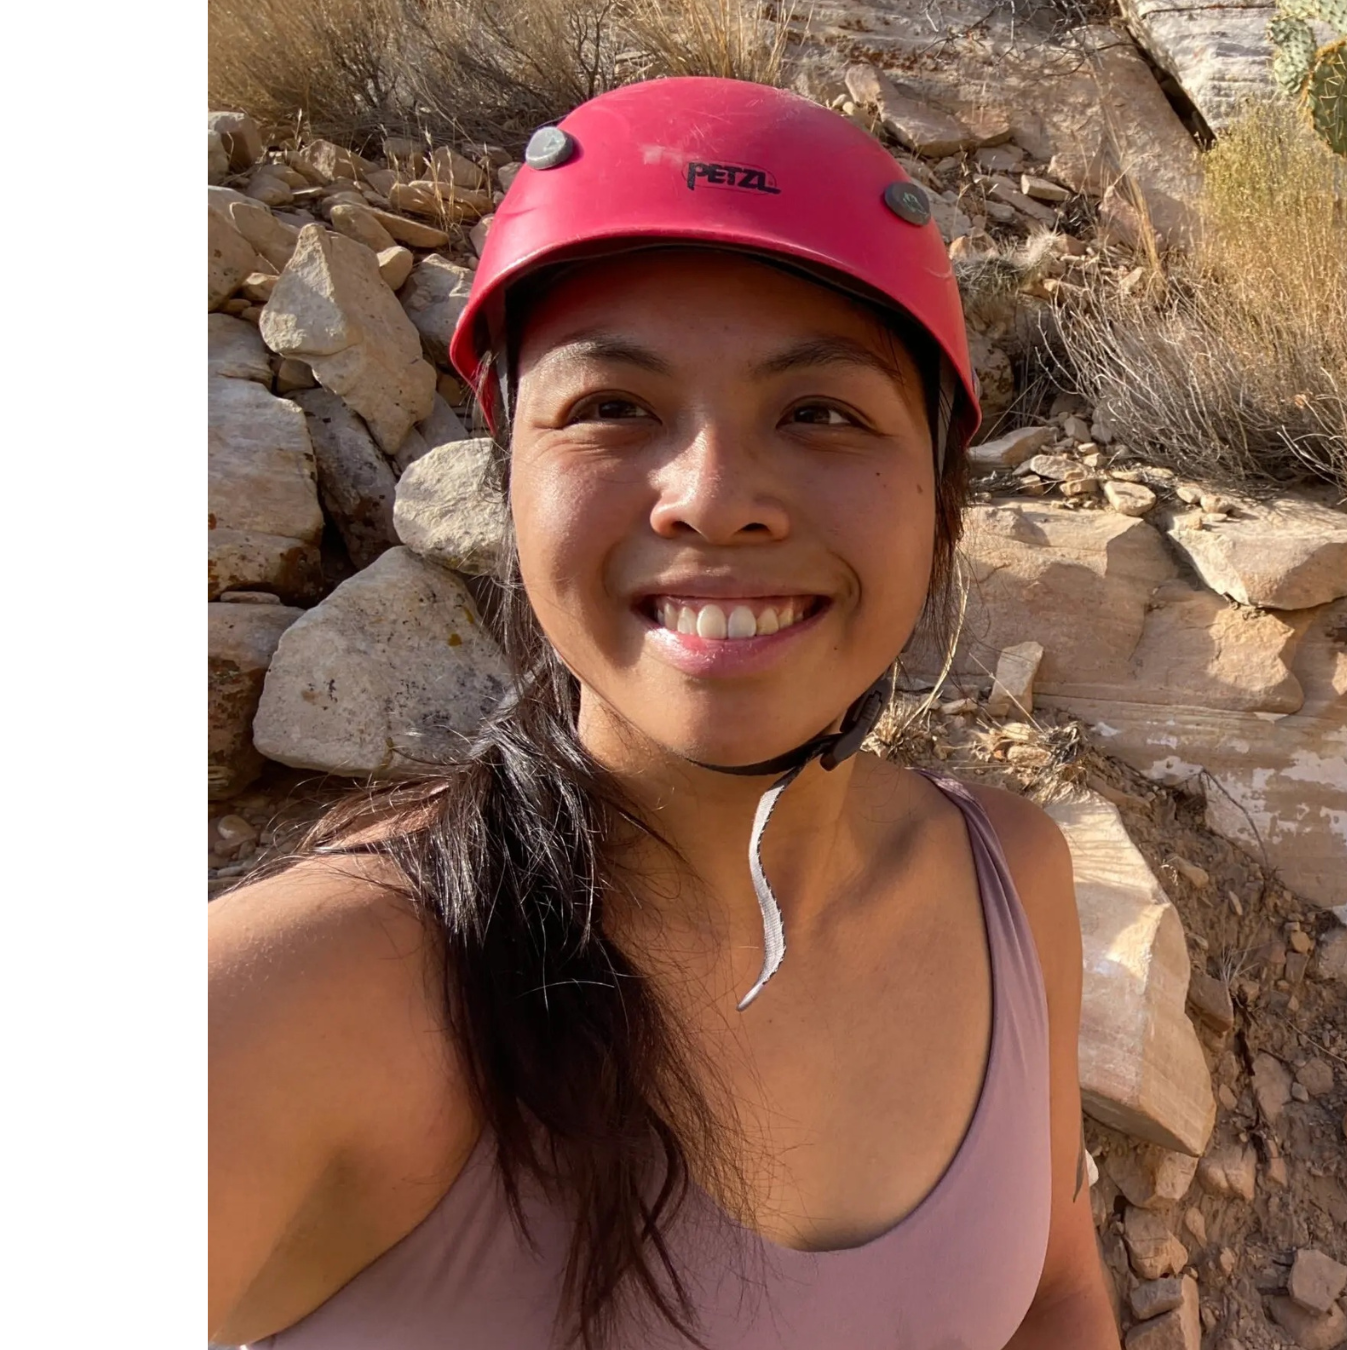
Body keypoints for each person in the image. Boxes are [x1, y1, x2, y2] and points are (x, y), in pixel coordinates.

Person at [208, 77, 1118, 1349]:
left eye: (822, 412)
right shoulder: (307, 996)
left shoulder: (1011, 884)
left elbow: (1059, 1297)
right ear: (508, 479)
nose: (712, 496)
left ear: (940, 495)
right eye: (611, 408)